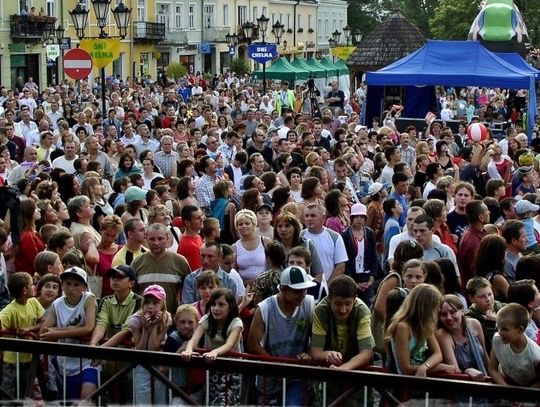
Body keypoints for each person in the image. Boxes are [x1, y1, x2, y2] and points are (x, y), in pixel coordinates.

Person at [248, 266, 316, 406]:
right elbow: (252, 345)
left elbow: (317, 337)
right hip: (269, 377)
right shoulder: (264, 308)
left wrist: (308, 353)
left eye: (305, 289)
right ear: (283, 289)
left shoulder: (309, 304)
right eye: (297, 291)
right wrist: (276, 366)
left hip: (297, 375)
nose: (302, 294)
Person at [40, 267, 98, 401]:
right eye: (68, 283)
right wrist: (65, 330)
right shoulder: (57, 303)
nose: (71, 288)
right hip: (65, 363)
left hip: (87, 360)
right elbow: (44, 331)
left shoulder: (88, 299)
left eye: (76, 284)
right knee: (71, 400)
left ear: (84, 287)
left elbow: (88, 327)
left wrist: (57, 332)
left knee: (86, 397)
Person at [181, 288, 243, 406]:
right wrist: (188, 350)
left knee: (228, 402)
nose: (216, 308)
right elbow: (194, 339)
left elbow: (229, 345)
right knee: (210, 400)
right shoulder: (206, 319)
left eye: (221, 305)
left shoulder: (236, 322)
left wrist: (214, 352)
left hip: (231, 370)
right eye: (213, 304)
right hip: (211, 367)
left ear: (230, 306)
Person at [386, 284, 456, 376]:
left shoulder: (425, 325)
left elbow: (438, 354)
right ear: (426, 308)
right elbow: (405, 369)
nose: (438, 310)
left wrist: (425, 366)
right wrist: (438, 367)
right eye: (435, 307)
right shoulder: (403, 327)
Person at [0, 272, 45, 399]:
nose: (34, 287)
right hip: (13, 361)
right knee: (9, 392)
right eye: (31, 284)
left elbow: (43, 322)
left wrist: (28, 329)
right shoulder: (10, 310)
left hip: (30, 358)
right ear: (24, 290)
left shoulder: (34, 302)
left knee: (27, 392)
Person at [131, 223, 191, 314]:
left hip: (171, 319)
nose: (156, 243)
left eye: (160, 239)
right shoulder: (137, 263)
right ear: (146, 238)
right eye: (152, 239)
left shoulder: (180, 262)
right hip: (143, 319)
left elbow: (188, 292)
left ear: (167, 237)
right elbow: (132, 294)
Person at [128, 285, 172, 405]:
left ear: (162, 304)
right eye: (147, 302)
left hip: (159, 363)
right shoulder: (136, 319)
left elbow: (153, 347)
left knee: (160, 400)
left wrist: (153, 327)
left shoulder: (167, 318)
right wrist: (145, 329)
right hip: (142, 364)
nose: (150, 306)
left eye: (155, 303)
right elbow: (141, 349)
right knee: (142, 399)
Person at [436, 294, 488, 381]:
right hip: (463, 386)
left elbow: (485, 356)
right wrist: (467, 371)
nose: (448, 318)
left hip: (485, 380)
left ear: (462, 311)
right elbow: (454, 370)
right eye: (443, 314)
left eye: (452, 312)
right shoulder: (442, 335)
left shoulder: (474, 324)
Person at [489, 303, 540, 387]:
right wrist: (507, 390)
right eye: (498, 327)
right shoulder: (497, 340)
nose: (500, 332)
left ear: (520, 330)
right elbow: (492, 369)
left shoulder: (535, 355)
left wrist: (521, 398)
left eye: (505, 329)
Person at [163, 305, 204, 404]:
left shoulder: (201, 337)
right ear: (176, 322)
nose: (186, 326)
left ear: (197, 323)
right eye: (182, 322)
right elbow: (163, 368)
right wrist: (181, 350)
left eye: (190, 322)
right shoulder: (172, 339)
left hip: (198, 389)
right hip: (178, 390)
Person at [300, 203, 348, 283]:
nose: (309, 219)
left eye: (313, 216)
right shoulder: (300, 237)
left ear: (323, 217)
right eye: (307, 216)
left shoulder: (335, 237)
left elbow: (340, 266)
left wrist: (327, 287)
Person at [341, 203, 378, 306]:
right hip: (351, 278)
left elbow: (374, 255)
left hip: (367, 278)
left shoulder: (369, 233)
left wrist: (371, 277)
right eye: (356, 216)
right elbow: (344, 260)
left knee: (368, 306)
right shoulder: (345, 235)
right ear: (351, 218)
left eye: (361, 217)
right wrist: (352, 281)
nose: (359, 219)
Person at [465, 277, 505, 354]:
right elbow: (485, 347)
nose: (488, 299)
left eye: (490, 294)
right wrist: (490, 325)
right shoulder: (470, 319)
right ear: (471, 298)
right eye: (482, 296)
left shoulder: (504, 308)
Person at [233, 209, 270, 285]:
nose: (244, 226)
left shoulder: (265, 242)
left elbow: (273, 266)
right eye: (240, 224)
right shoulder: (234, 247)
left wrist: (258, 280)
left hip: (265, 285)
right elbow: (233, 271)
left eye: (247, 223)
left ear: (253, 224)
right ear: (237, 227)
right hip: (243, 286)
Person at [177, 205, 205, 270]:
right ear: (187, 223)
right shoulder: (190, 246)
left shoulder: (197, 236)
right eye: (198, 218)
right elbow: (197, 273)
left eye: (201, 215)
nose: (202, 219)